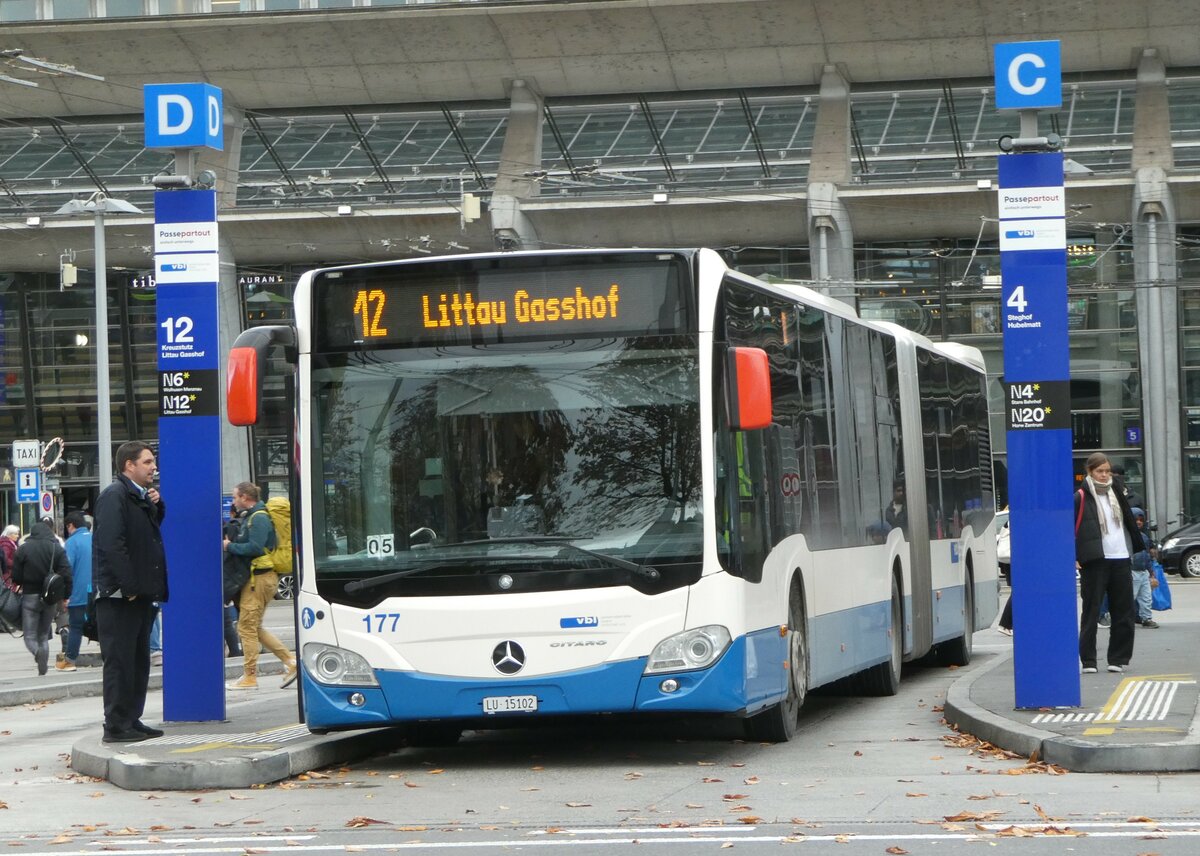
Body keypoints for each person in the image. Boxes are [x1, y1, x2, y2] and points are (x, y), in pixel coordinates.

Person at [93, 441, 167, 743]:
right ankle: (115, 726)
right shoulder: (114, 496)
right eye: (147, 462)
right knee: (120, 662)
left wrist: (157, 506)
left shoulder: (138, 497)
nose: (153, 467)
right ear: (129, 466)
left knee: (138, 661)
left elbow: (144, 537)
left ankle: (131, 719)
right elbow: (113, 545)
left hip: (139, 595)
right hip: (119, 597)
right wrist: (130, 588)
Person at [224, 482, 296, 690]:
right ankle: (290, 662)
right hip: (259, 579)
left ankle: (250, 676)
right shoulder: (253, 516)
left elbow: (255, 547)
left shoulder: (259, 518)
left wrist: (230, 546)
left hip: (260, 580)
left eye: (235, 496)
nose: (233, 501)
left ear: (245, 497)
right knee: (254, 627)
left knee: (245, 627)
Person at [1074, 452, 1139, 674]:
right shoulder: (1081, 496)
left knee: (1124, 611)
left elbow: (1129, 521)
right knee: (1091, 612)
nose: (1104, 475)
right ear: (1090, 472)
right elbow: (1070, 529)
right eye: (1099, 471)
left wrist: (1139, 547)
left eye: (1107, 471)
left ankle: (1118, 658)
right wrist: (1075, 556)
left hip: (1121, 558)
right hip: (1095, 560)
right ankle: (1089, 660)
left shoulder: (1117, 492)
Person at [11, 520, 72, 676]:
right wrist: (65, 596)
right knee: (43, 635)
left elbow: (16, 577)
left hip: (29, 596)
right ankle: (42, 668)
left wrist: (22, 581)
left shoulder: (23, 549)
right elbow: (66, 574)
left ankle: (38, 653)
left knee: (30, 635)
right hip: (50, 598)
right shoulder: (56, 549)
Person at [60, 511, 93, 672]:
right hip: (98, 592)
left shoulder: (72, 543)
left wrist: (65, 596)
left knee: (75, 627)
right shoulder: (96, 539)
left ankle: (70, 660)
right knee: (102, 627)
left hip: (78, 593)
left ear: (70, 526)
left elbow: (67, 570)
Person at [1129, 508, 1159, 629]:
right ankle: (1125, 618)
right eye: (1136, 519)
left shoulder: (1144, 537)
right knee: (1131, 596)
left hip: (1143, 572)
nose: (1139, 522)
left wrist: (1151, 571)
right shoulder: (1128, 536)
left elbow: (1146, 556)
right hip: (1132, 571)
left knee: (1146, 597)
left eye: (1141, 520)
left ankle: (1146, 618)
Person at [996, 508, 1013, 636]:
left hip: (1008, 561)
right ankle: (1004, 624)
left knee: (1017, 592)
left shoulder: (1009, 521)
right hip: (1012, 560)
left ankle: (1007, 624)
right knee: (1018, 593)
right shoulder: (1015, 520)